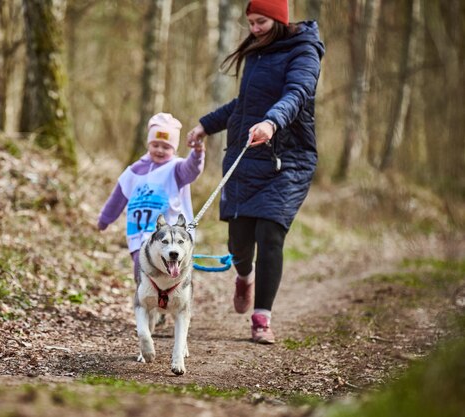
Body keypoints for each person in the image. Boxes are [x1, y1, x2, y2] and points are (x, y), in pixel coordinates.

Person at [186, 0, 325, 344]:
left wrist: (272, 122)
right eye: (250, 22)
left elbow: (297, 94)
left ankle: (262, 317)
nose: (254, 29)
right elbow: (243, 104)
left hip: (286, 157)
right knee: (239, 240)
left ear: (279, 19)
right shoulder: (256, 53)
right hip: (247, 154)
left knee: (270, 232)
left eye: (261, 21)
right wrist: (206, 125)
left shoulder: (304, 51)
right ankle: (243, 276)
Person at [98, 112, 205, 283]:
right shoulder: (133, 171)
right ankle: (148, 305)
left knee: (170, 276)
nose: (160, 150)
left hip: (168, 236)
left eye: (166, 147)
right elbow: (117, 197)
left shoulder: (176, 169)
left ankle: (168, 302)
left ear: (174, 149)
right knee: (141, 274)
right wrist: (105, 219)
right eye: (155, 145)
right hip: (138, 234)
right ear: (148, 143)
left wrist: (197, 154)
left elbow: (191, 170)